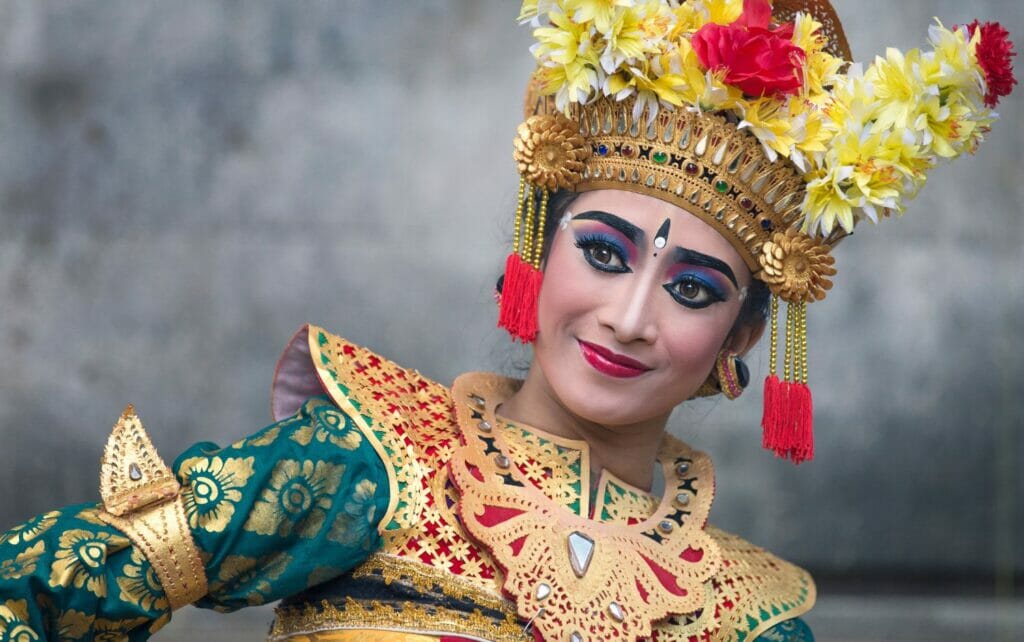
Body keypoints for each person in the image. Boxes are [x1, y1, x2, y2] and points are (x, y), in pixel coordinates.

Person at [0, 1, 1016, 641]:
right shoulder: (368, 465)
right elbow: (30, 596)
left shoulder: (743, 618)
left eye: (693, 290)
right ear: (539, 243)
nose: (628, 317)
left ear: (742, 341)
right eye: (605, 254)